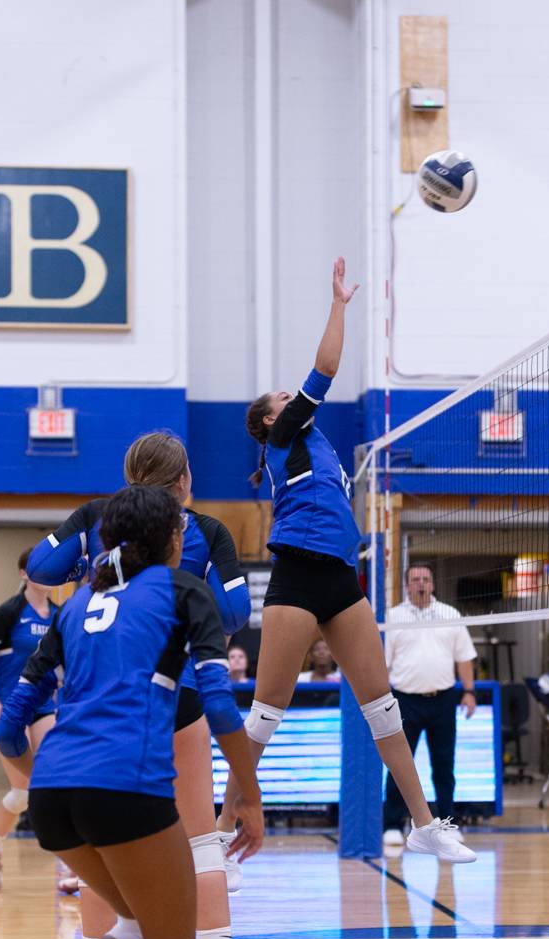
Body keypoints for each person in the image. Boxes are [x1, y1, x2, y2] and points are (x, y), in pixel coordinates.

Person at [0, 485, 262, 939]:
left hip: (54, 792)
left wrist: (27, 778)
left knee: (135, 931)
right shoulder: (180, 590)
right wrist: (247, 792)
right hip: (123, 787)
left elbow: (15, 718)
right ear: (173, 537)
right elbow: (221, 705)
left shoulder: (76, 603)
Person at [217, 257, 476, 867]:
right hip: (297, 576)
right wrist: (339, 304)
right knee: (263, 718)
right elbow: (326, 368)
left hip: (341, 577)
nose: (290, 396)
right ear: (267, 421)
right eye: (281, 398)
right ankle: (221, 834)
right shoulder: (281, 436)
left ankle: (423, 825)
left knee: (382, 708)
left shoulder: (317, 443)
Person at [27, 432, 259, 939]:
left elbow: (40, 567)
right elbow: (235, 613)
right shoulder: (203, 529)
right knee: (201, 840)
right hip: (175, 691)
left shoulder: (97, 519)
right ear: (184, 480)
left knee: (106, 845)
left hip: (100, 698)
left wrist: (83, 552)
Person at [0, 550, 56, 891]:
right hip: (9, 707)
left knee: (55, 783)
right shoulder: (8, 612)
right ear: (24, 572)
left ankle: (69, 865)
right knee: (22, 794)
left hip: (45, 706)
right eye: (38, 568)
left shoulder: (61, 616)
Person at [382, 562, 477, 850]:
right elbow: (382, 663)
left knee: (444, 765)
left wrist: (469, 691)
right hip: (404, 700)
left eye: (425, 579)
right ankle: (392, 825)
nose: (421, 583)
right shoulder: (393, 617)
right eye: (415, 579)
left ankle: (447, 823)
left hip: (443, 699)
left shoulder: (450, 615)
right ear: (407, 585)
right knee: (400, 765)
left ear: (432, 584)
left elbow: (464, 657)